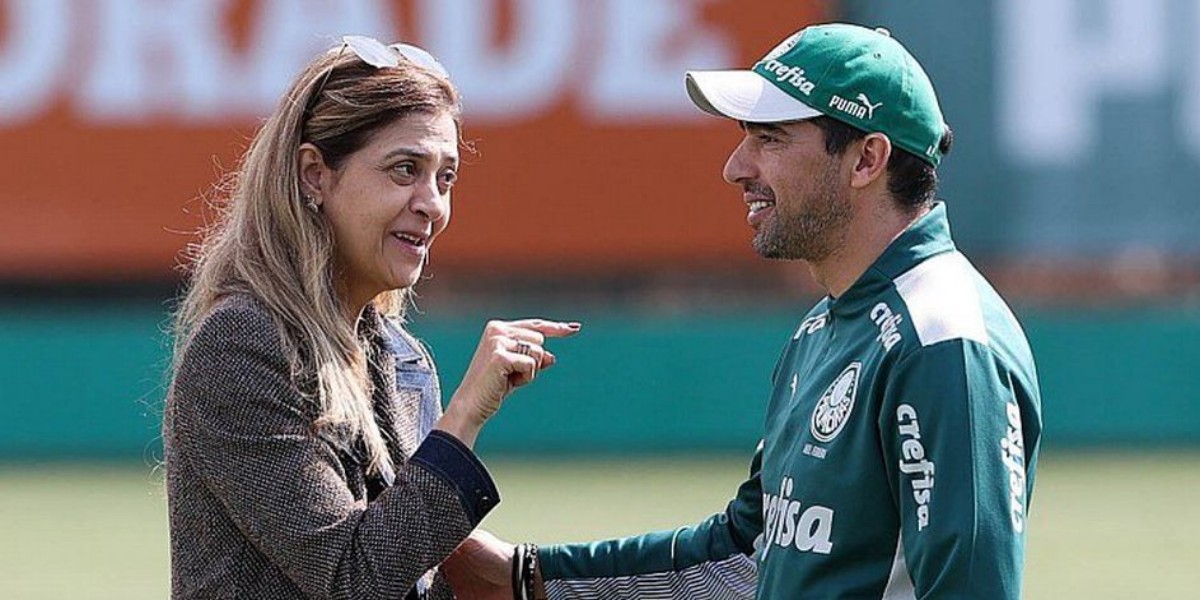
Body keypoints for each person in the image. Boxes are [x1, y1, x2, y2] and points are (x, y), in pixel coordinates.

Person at [447, 23, 1043, 599]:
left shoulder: (943, 343)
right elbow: (745, 555)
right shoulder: (825, 328)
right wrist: (524, 577)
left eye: (771, 138)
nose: (736, 167)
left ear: (866, 160)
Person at [162, 36, 578, 599]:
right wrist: (462, 421)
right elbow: (352, 578)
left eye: (446, 177)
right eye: (405, 169)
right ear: (315, 175)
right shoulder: (242, 344)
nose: (432, 202)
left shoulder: (401, 356)